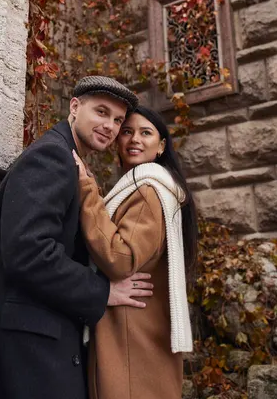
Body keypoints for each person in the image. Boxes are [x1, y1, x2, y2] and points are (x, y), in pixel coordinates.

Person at [0, 76, 154, 399]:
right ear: (75, 107)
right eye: (101, 112)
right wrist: (102, 292)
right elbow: (29, 252)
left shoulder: (68, 159)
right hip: (27, 353)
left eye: (117, 120)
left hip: (35, 347)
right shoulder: (52, 157)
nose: (110, 126)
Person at [73, 105, 198, 399]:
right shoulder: (149, 186)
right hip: (139, 334)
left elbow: (122, 258)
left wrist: (86, 189)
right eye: (127, 132)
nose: (134, 140)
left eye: (146, 133)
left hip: (131, 336)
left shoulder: (146, 190)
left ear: (161, 146)